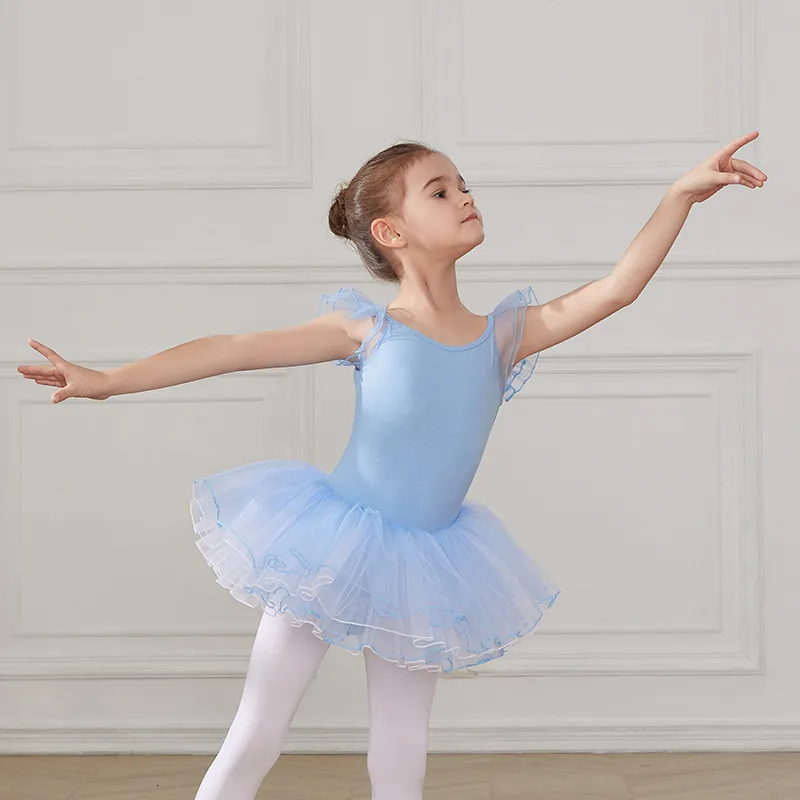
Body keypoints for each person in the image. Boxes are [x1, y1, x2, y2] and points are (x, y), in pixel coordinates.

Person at [17, 133, 766, 800]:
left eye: (463, 183)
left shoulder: (503, 336)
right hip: (328, 549)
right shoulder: (368, 327)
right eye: (440, 191)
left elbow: (617, 289)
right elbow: (234, 347)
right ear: (392, 232)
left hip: (429, 562)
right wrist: (108, 379)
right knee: (258, 732)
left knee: (402, 757)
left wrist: (678, 198)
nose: (465, 195)